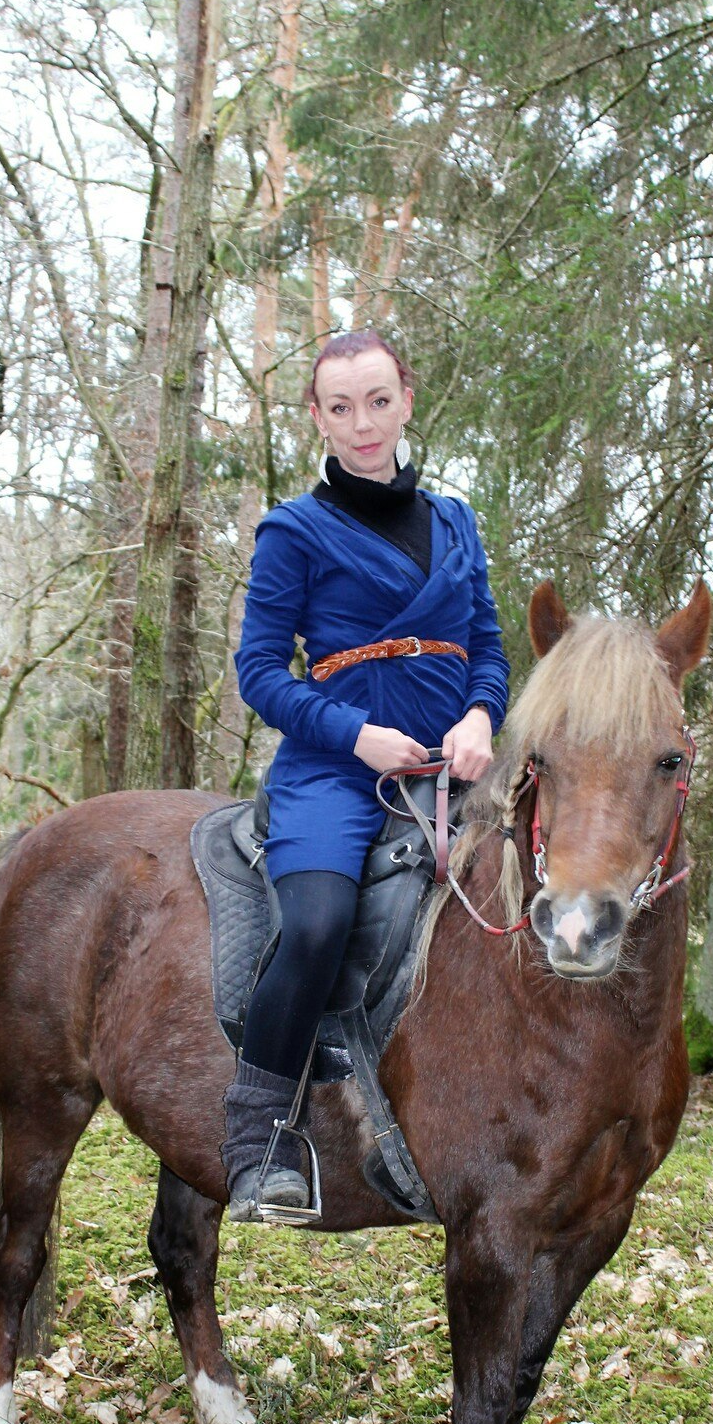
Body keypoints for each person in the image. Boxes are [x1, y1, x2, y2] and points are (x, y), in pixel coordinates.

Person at [223, 330, 510, 1217]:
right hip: (335, 774)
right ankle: (258, 1144)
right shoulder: (292, 530)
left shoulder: (456, 521)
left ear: (406, 400)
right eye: (340, 408)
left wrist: (478, 716)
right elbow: (260, 673)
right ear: (315, 416)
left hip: (453, 774)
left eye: (377, 402)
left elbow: (489, 651)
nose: (362, 425)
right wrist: (356, 737)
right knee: (315, 924)